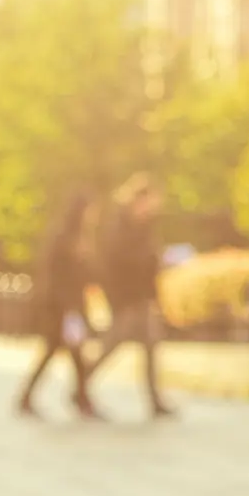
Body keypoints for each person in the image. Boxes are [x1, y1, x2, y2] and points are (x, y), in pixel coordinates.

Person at [90, 174, 176, 419]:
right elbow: (113, 265)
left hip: (141, 299)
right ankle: (82, 385)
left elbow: (149, 267)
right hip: (125, 298)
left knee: (150, 346)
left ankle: (155, 401)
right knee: (112, 345)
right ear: (138, 200)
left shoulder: (145, 227)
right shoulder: (120, 227)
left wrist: (155, 297)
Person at [17, 194, 101, 419]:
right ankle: (80, 400)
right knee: (65, 352)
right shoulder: (64, 238)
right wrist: (68, 306)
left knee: (68, 353)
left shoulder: (81, 237)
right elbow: (57, 275)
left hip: (71, 306)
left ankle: (78, 398)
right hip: (62, 307)